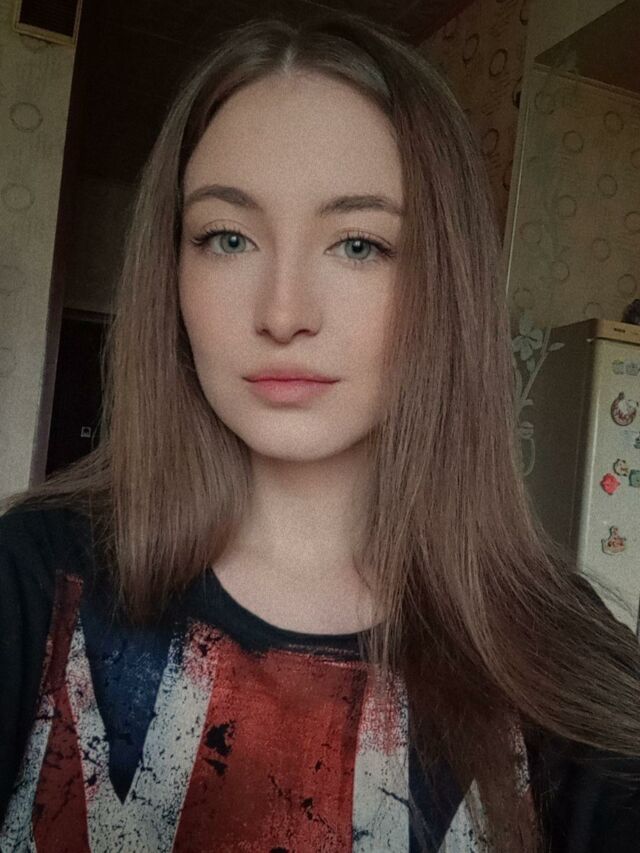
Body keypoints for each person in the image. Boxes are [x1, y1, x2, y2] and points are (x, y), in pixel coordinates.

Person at [1, 9, 639, 852]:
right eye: (228, 237)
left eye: (359, 245)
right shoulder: (33, 575)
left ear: (443, 281)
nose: (283, 312)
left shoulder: (557, 651)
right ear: (172, 268)